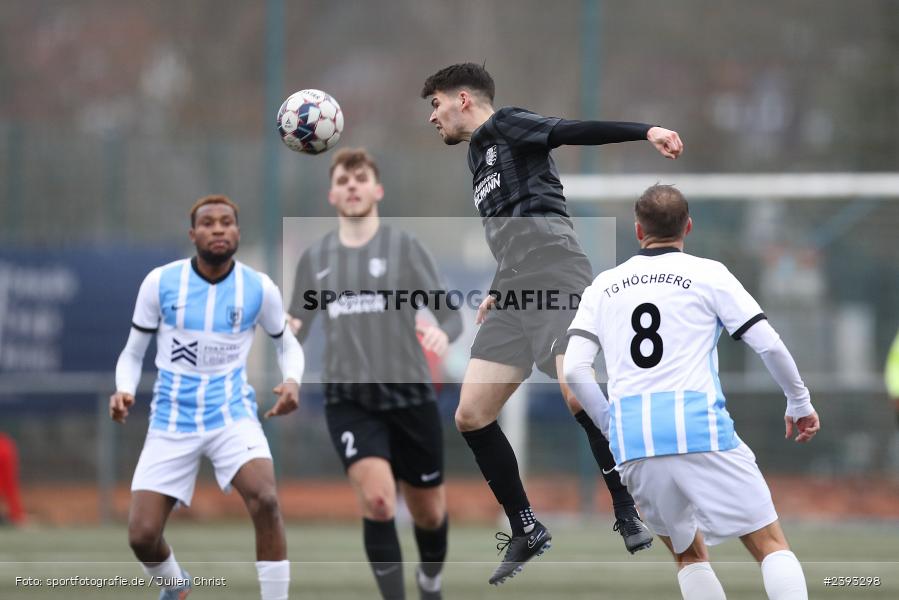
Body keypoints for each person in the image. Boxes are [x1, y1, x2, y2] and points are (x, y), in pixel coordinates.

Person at [420, 62, 683, 584]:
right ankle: (525, 527)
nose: (433, 117)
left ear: (464, 99)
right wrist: (498, 285)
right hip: (515, 289)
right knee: (471, 414)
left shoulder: (508, 123)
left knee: (574, 389)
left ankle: (626, 505)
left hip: (557, 273)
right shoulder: (478, 154)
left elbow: (571, 131)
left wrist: (644, 130)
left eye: (435, 104)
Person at [563, 184, 820, 600]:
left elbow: (575, 370)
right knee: (770, 545)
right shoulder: (708, 273)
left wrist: (613, 428)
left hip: (635, 440)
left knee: (689, 557)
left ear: (637, 230)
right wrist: (799, 401)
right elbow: (768, 343)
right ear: (688, 226)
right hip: (698, 428)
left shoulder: (604, 285)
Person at [287, 148, 463, 600]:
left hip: (410, 398)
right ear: (331, 194)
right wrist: (285, 356)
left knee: (428, 512)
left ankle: (430, 582)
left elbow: (450, 317)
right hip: (350, 400)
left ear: (376, 189)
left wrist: (443, 335)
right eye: (343, 180)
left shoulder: (404, 248)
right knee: (380, 501)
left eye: (360, 178)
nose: (352, 186)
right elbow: (296, 330)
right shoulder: (317, 258)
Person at [110, 195, 303, 600]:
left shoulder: (258, 287)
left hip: (231, 414)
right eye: (209, 223)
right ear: (193, 233)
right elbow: (131, 352)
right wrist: (124, 390)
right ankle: (176, 586)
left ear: (237, 231)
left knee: (266, 499)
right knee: (142, 536)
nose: (218, 229)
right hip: (171, 420)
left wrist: (292, 380)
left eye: (227, 222)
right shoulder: (160, 282)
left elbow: (287, 344)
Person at [0, 432, 25, 525]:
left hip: (4, 447)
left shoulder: (4, 445)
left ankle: (16, 516)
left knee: (9, 487)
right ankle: (17, 516)